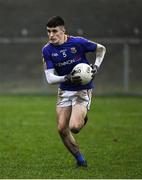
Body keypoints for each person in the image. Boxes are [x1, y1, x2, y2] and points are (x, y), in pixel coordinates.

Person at [42, 16, 106, 167]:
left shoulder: (78, 42)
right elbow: (50, 79)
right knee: (61, 129)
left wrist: (96, 66)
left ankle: (83, 118)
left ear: (63, 30)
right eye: (48, 31)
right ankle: (81, 160)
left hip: (83, 89)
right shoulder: (47, 50)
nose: (51, 35)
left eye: (55, 31)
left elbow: (101, 49)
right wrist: (67, 78)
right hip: (65, 90)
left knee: (74, 127)